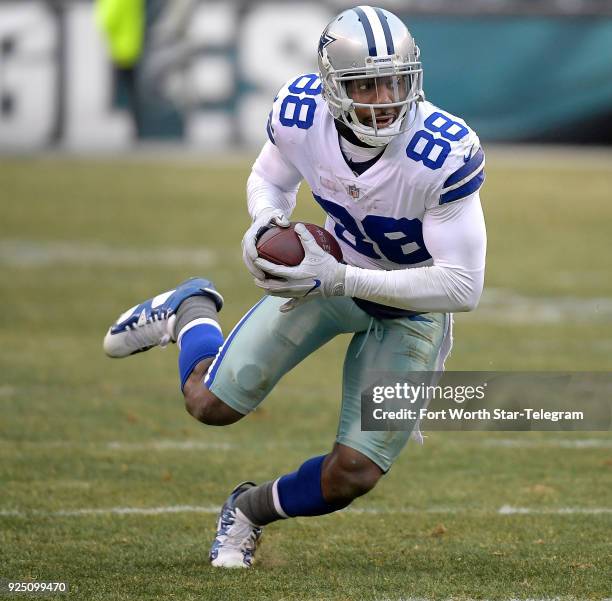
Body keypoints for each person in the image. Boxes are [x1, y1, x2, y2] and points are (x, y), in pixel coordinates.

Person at [103, 5, 486, 569]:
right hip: (329, 277)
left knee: (353, 473)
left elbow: (462, 287)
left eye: (394, 82)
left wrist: (343, 277)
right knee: (209, 404)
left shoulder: (443, 153)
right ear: (334, 87)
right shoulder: (302, 113)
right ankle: (191, 310)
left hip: (410, 302)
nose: (383, 99)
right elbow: (269, 179)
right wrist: (265, 221)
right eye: (365, 85)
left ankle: (249, 509)